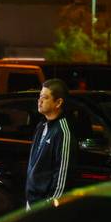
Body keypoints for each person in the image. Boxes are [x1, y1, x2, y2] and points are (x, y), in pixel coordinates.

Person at [25, 78, 75, 208]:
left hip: (45, 205)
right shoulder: (41, 126)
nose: (39, 101)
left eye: (45, 97)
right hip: (31, 201)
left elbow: (63, 172)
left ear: (58, 102)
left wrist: (50, 204)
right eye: (40, 96)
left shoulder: (63, 131)